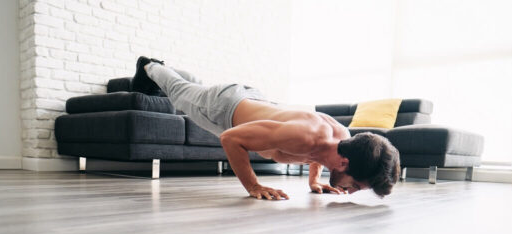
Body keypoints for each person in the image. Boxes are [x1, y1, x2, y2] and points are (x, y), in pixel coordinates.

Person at [132, 56, 400, 200]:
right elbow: (230, 139)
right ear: (343, 163)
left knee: (193, 92)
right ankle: (150, 65)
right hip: (224, 108)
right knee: (180, 95)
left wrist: (313, 180)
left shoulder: (342, 139)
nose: (350, 192)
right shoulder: (304, 135)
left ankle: (168, 70)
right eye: (356, 185)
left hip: (249, 100)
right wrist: (253, 186)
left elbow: (320, 153)